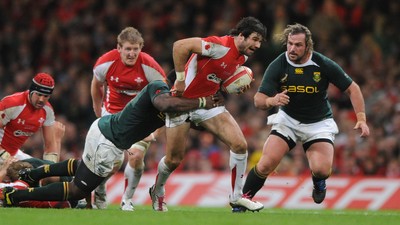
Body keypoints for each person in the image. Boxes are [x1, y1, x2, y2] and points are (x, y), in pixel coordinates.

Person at [0, 79, 224, 207]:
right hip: (109, 140)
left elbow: (188, 120)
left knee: (82, 167)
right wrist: (201, 100)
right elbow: (165, 105)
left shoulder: (176, 105)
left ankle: (33, 175)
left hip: (104, 132)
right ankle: (15, 196)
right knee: (78, 190)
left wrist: (209, 113)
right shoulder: (160, 89)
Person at [240, 23, 370, 209]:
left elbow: (353, 88)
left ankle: (319, 181)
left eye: (298, 45)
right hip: (288, 120)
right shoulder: (278, 64)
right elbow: (258, 100)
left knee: (321, 169)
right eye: (290, 43)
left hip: (318, 123)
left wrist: (361, 119)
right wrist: (272, 101)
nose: (292, 48)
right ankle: (242, 201)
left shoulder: (322, 63)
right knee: (265, 164)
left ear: (307, 45)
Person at [148, 16, 267, 213]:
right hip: (183, 102)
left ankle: (237, 197)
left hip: (208, 104)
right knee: (174, 160)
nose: (258, 45)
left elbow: (215, 75)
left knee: (240, 145)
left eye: (260, 41)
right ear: (241, 36)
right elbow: (179, 46)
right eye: (255, 39)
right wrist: (179, 80)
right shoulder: (219, 45)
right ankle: (158, 189)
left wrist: (224, 88)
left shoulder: (243, 57)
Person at [91, 27, 166, 210]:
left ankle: (127, 200)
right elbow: (96, 84)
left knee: (136, 157)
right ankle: (100, 191)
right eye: (128, 49)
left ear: (141, 48)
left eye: (135, 49)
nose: (132, 53)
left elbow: (166, 102)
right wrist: (98, 110)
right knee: (107, 162)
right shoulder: (105, 63)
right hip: (113, 115)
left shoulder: (150, 68)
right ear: (119, 48)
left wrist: (155, 132)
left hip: (140, 120)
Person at [0, 73, 61, 164]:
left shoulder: (48, 111)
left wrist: (49, 172)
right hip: (3, 153)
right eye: (39, 94)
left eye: (46, 96)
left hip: (13, 156)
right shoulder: (12, 104)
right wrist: (3, 155)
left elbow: (50, 146)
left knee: (55, 174)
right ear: (31, 91)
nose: (41, 99)